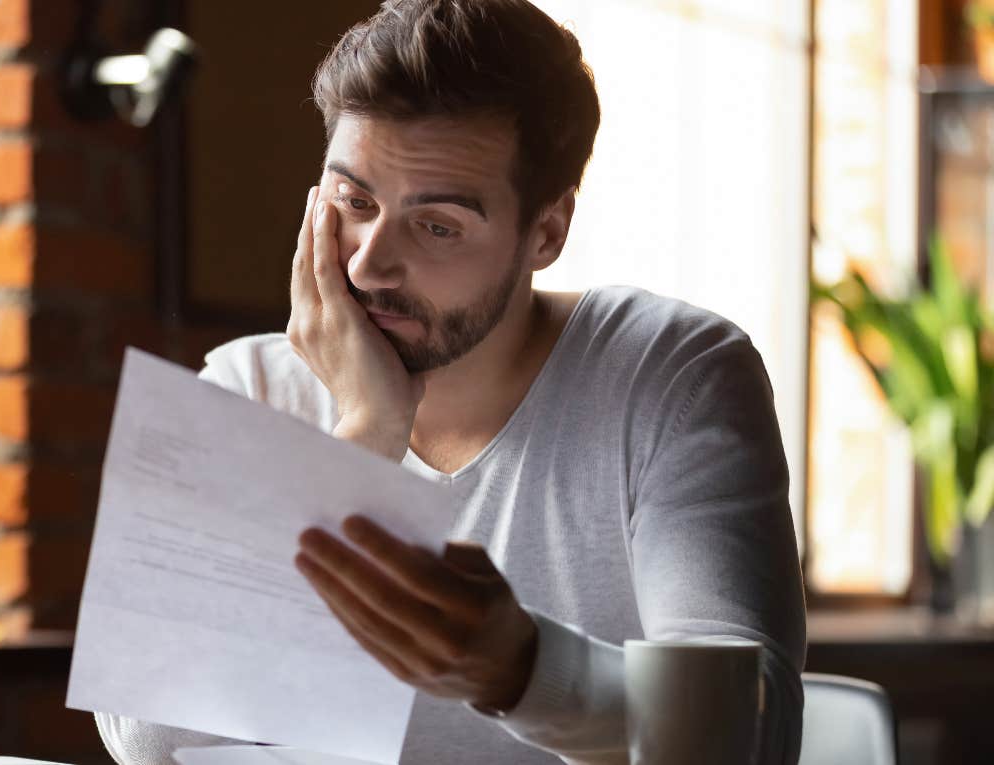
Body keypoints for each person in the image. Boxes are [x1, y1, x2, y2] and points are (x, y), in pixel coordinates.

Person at [96, 0, 807, 762]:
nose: (368, 263)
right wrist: (362, 440)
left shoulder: (674, 374)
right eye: (353, 202)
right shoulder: (248, 385)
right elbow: (145, 737)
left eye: (437, 225)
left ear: (547, 232)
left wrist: (524, 671)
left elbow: (750, 731)